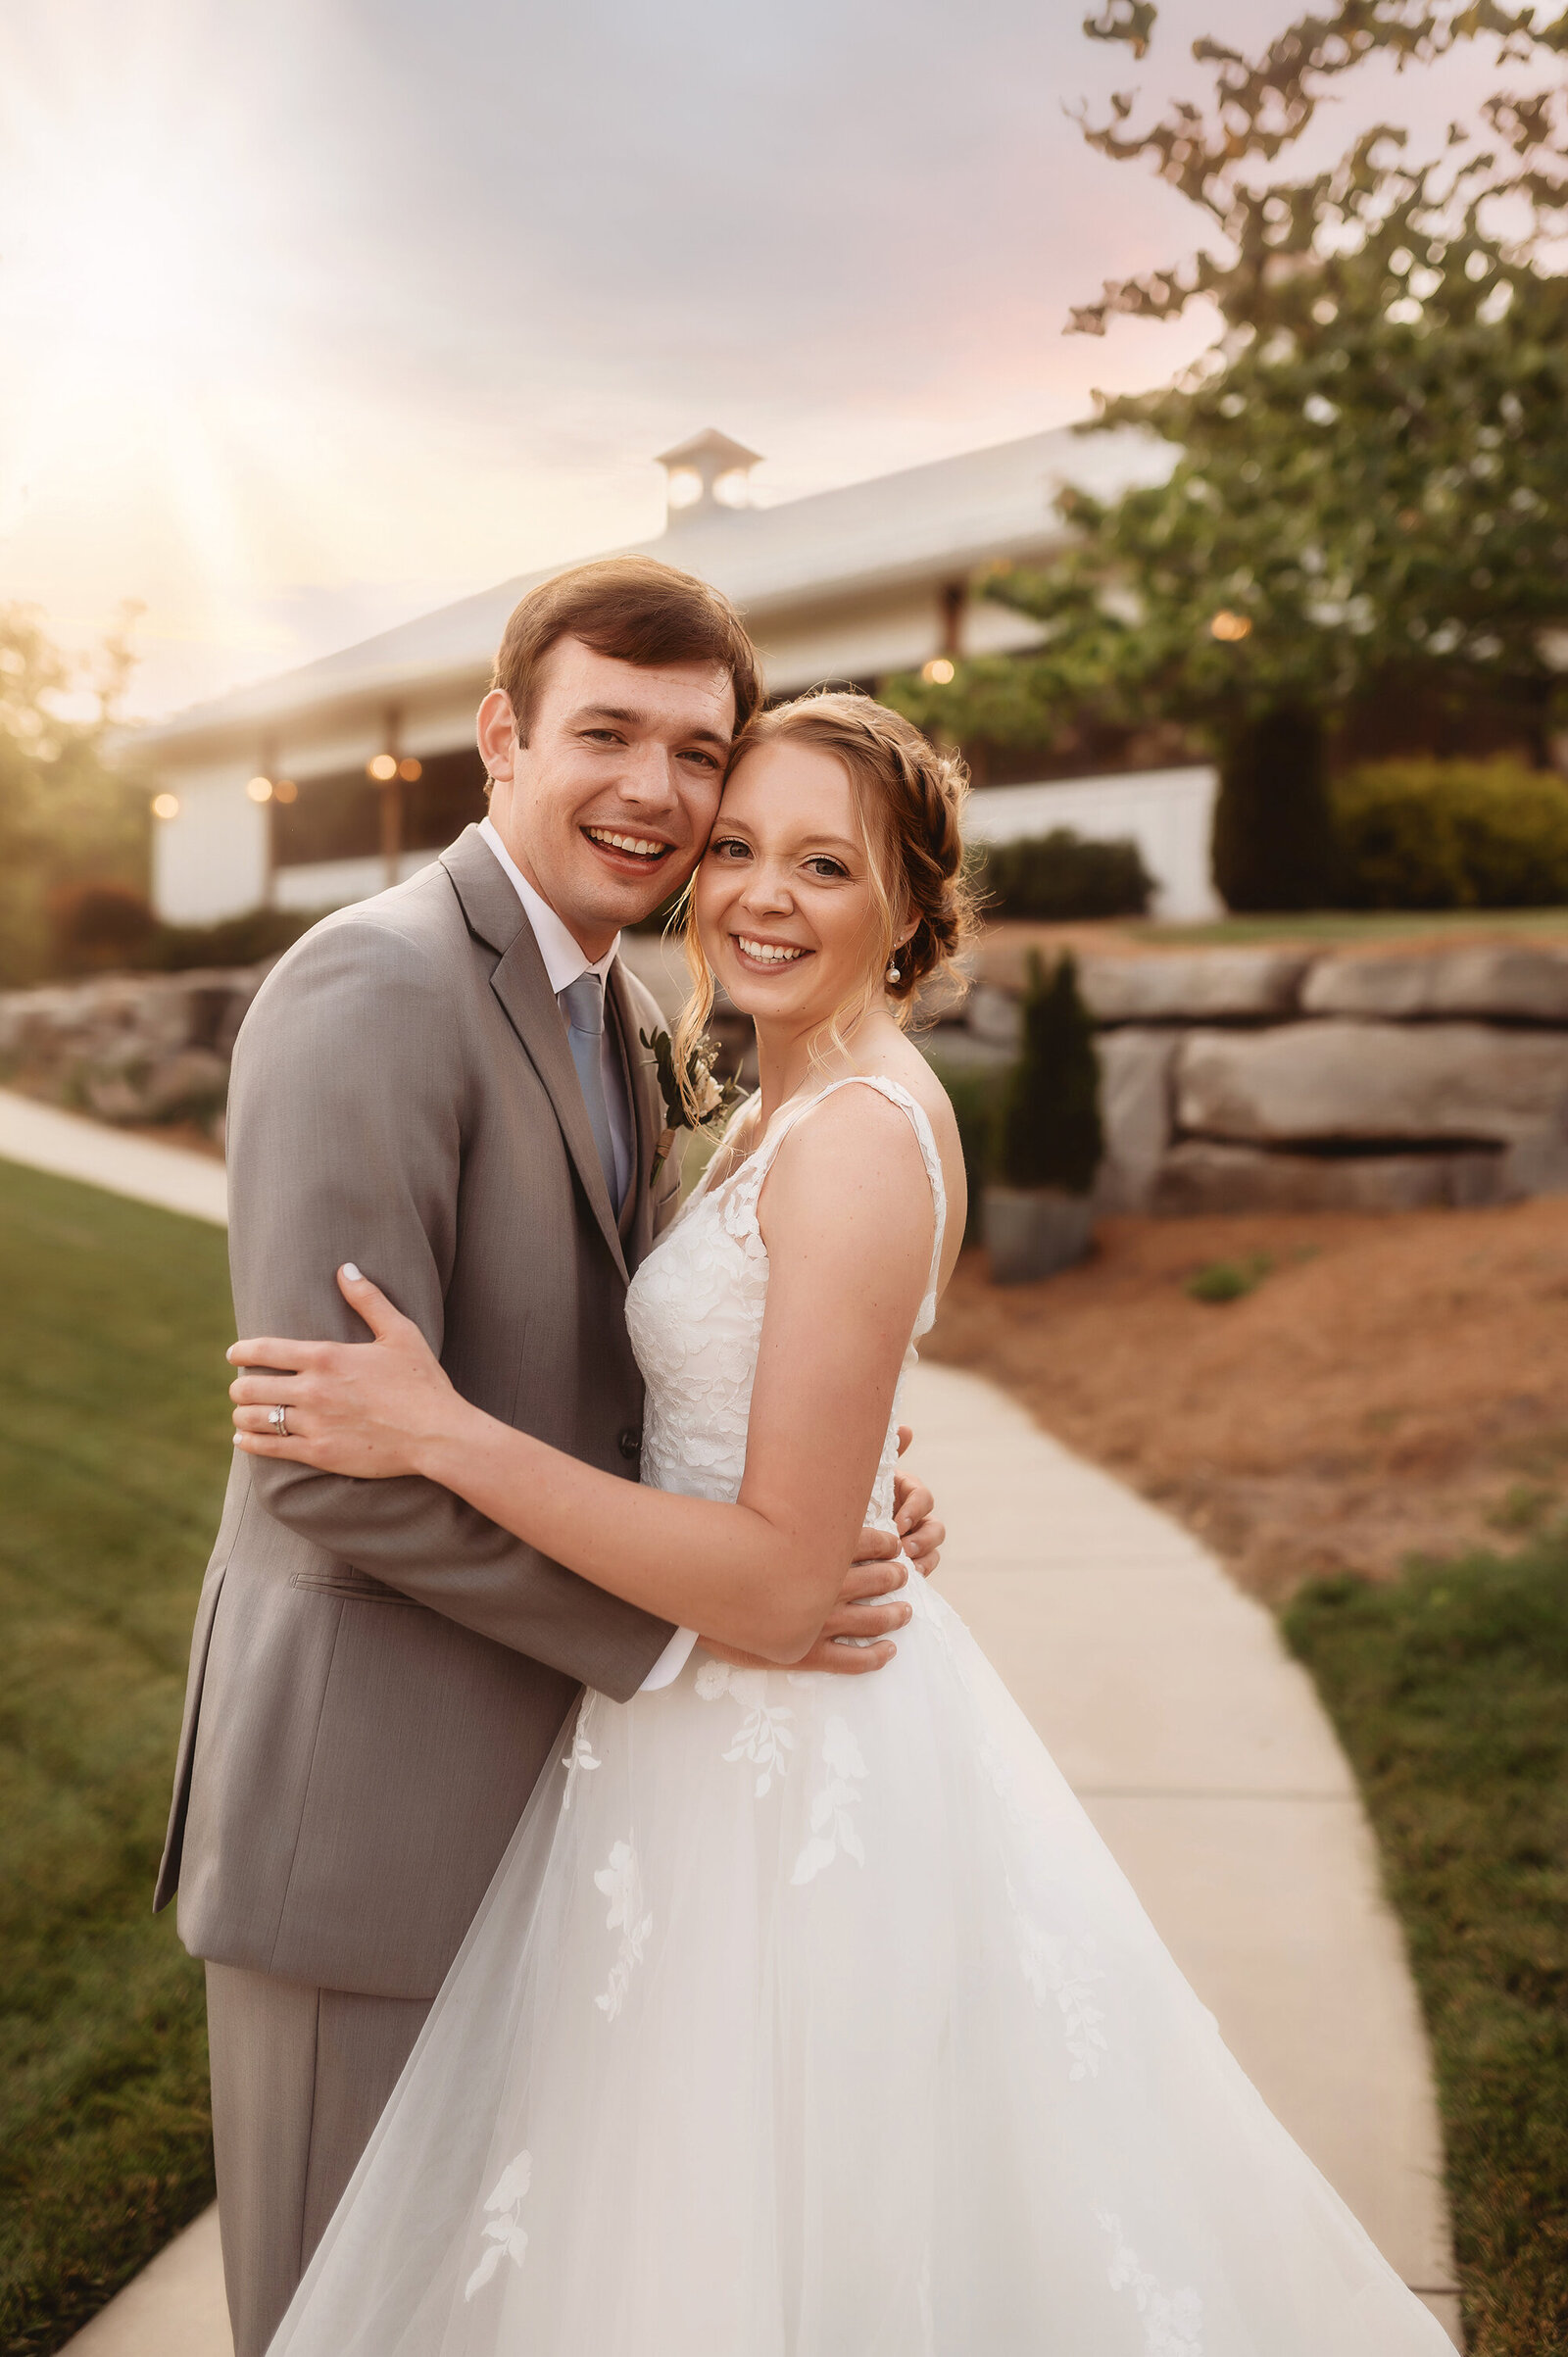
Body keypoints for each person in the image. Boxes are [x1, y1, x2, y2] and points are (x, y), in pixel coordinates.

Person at [231, 689, 1453, 2356]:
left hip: (777, 1754)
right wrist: (860, 1459)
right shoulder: (763, 1103)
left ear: (910, 906)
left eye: (825, 862)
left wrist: (443, 1435)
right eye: (736, 848)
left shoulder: (860, 1133)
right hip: (689, 1741)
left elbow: (785, 1578)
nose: (759, 895)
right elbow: (762, 1421)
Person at [155, 563, 944, 2357]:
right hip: (371, 1822)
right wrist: (704, 1624)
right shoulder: (374, 987)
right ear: (501, 735)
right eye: (606, 733)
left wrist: (833, 1481)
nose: (656, 794)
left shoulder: (628, 1014)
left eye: (696, 751)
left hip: (575, 1819)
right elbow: (327, 1464)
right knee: (342, 2319)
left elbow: (635, 1363)